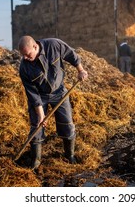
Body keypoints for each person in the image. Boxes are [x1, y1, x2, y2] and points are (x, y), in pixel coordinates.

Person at [18, 36, 88, 171]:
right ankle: (36, 161)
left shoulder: (53, 45)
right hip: (40, 96)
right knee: (36, 126)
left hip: (59, 92)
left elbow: (71, 54)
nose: (25, 58)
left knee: (67, 123)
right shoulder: (24, 67)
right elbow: (32, 94)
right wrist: (41, 114)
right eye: (23, 55)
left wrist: (81, 70)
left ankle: (70, 155)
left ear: (35, 47)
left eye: (27, 54)